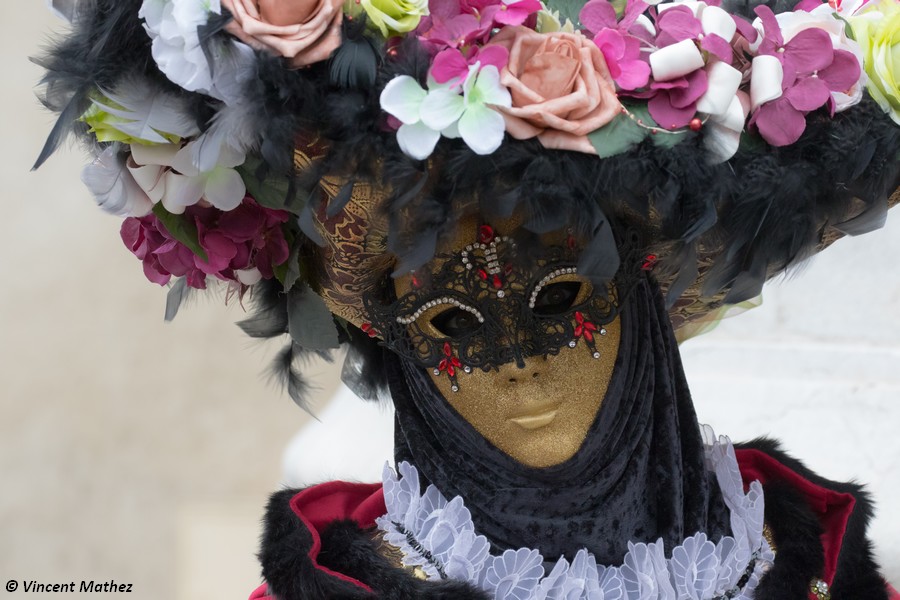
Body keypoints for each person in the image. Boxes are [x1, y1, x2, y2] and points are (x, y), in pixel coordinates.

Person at [33, 0, 899, 598]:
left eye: (562, 300)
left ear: (638, 304)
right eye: (451, 323)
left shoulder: (810, 563)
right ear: (400, 347)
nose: (520, 364)